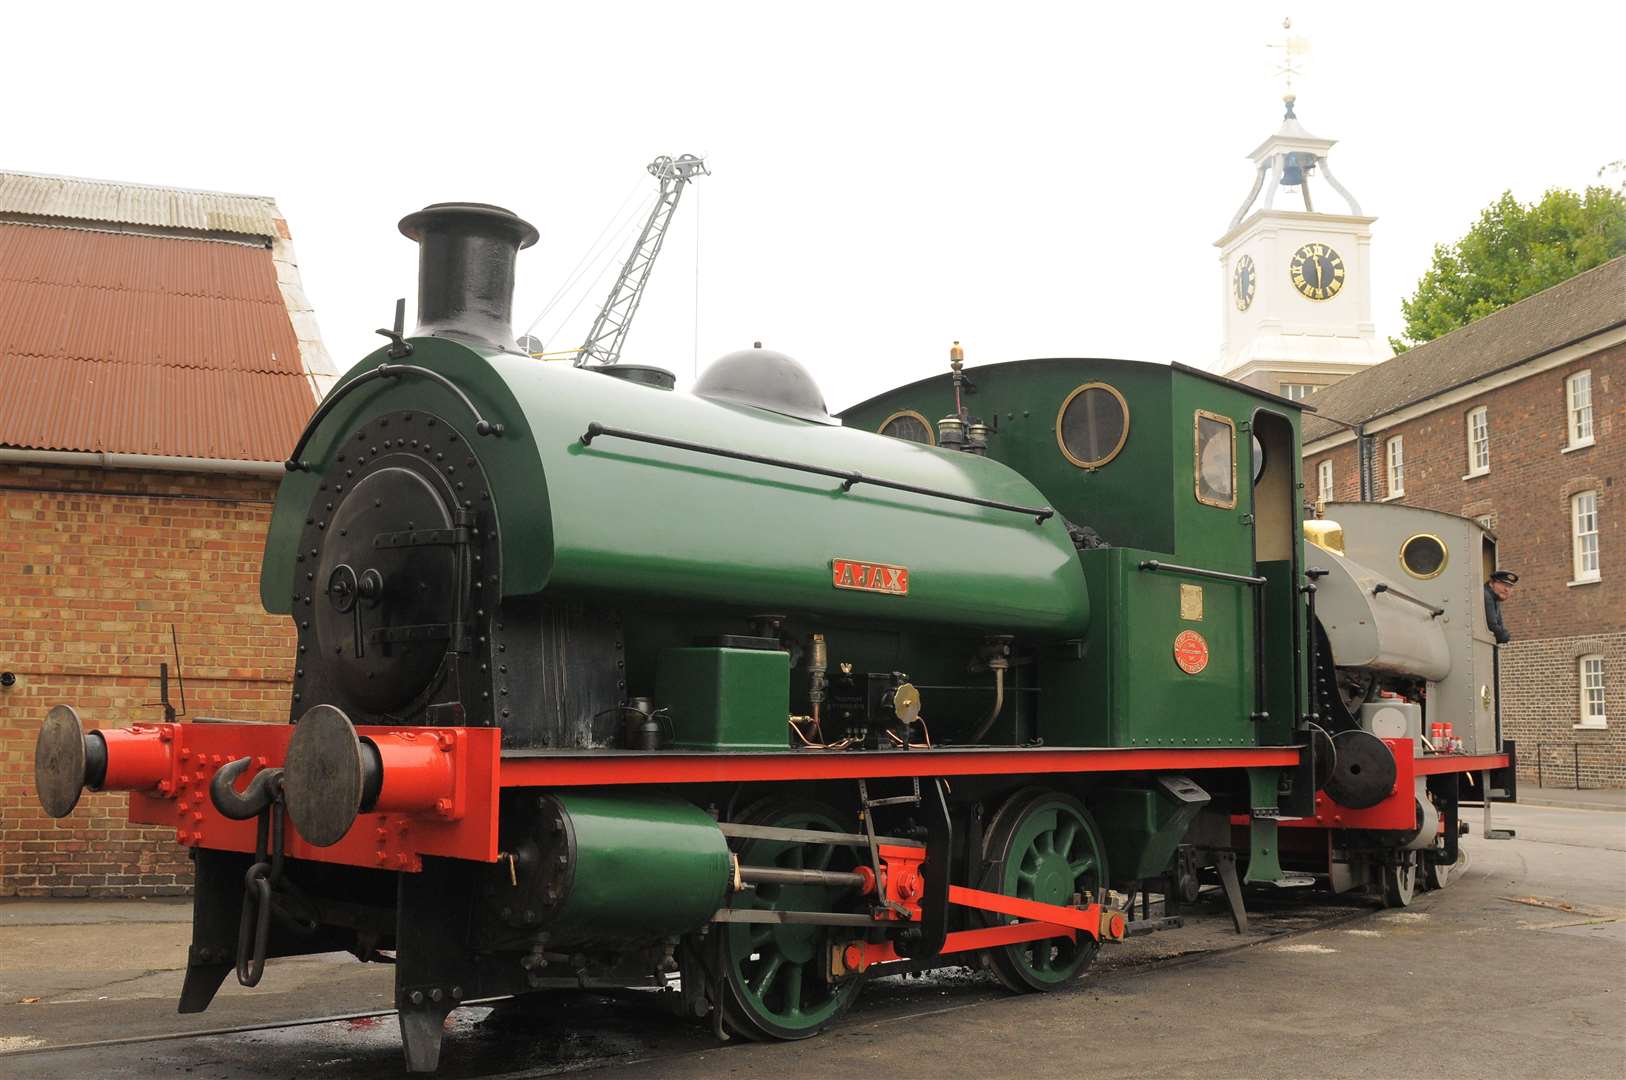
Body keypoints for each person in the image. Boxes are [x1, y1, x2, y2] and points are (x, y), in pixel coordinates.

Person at [1484, 569, 1517, 644]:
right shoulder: (1486, 596)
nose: (1507, 589)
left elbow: (1500, 627)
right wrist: (1504, 635)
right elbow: (1492, 626)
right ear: (1492, 583)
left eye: (1510, 586)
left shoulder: (1495, 599)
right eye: (1503, 584)